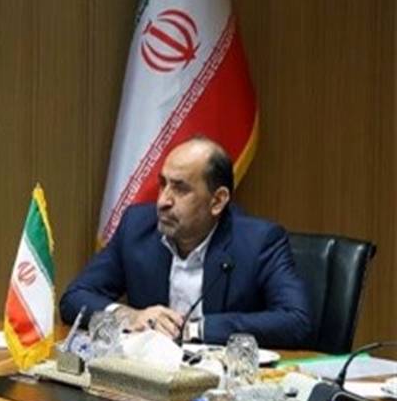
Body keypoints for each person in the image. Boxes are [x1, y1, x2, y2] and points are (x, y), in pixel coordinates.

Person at [59, 136, 312, 348]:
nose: (163, 201)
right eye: (163, 185)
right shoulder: (137, 227)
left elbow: (296, 321)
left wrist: (194, 329)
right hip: (149, 378)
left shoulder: (259, 241)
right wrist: (130, 316)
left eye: (180, 189)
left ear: (217, 201)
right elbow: (74, 298)